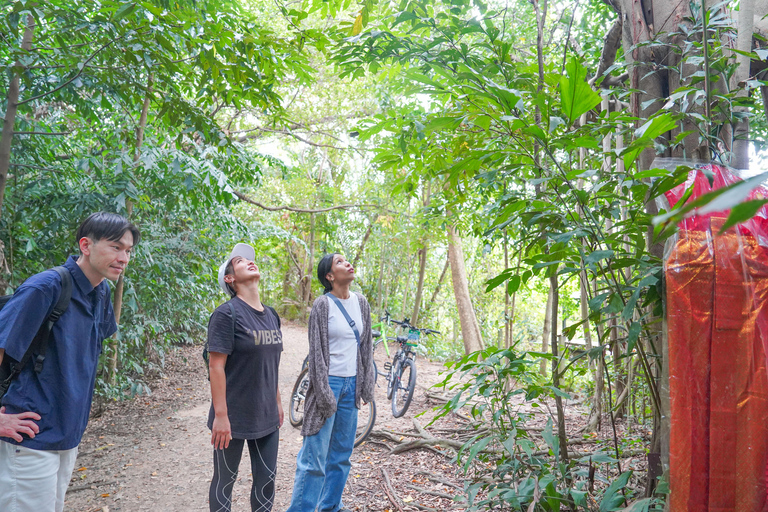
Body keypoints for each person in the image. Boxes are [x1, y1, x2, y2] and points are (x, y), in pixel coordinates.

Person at [0, 211, 140, 512]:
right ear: (86, 245)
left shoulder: (100, 292)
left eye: (128, 250)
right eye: (116, 247)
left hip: (66, 437)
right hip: (29, 438)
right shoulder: (46, 287)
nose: (124, 257)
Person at [286, 253, 375, 512]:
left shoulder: (362, 302)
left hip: (352, 386)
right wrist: (324, 394)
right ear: (329, 276)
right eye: (339, 262)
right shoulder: (322, 305)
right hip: (329, 385)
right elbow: (316, 354)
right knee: (314, 458)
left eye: (347, 260)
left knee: (341, 457)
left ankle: (330, 506)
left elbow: (366, 346)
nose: (347, 264)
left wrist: (366, 383)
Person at [208, 243, 283, 512]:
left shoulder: (272, 315)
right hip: (233, 415)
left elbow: (271, 363)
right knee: (224, 481)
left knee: (266, 482)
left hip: (266, 413)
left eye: (250, 260)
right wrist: (220, 415)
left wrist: (277, 401)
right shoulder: (226, 314)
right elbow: (215, 366)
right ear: (230, 278)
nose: (250, 262)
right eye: (240, 262)